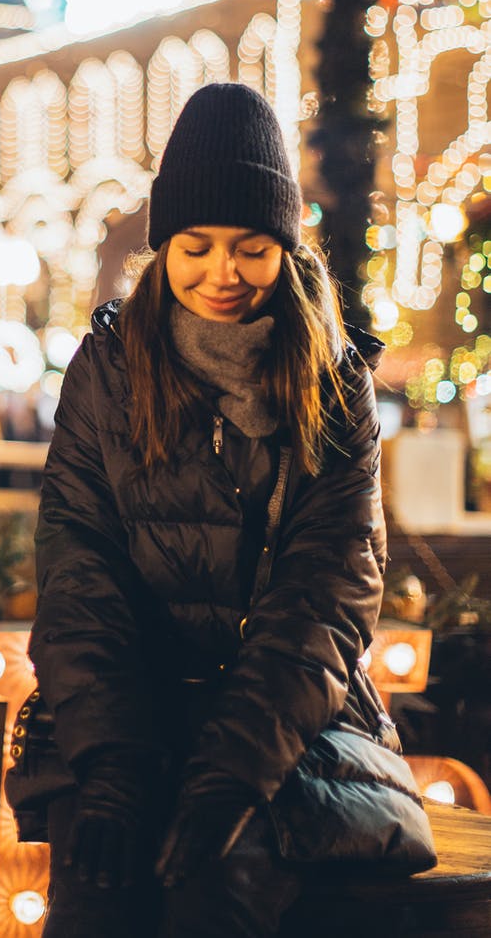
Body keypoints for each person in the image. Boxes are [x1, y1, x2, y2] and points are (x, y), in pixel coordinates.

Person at [24, 82, 425, 938]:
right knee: (96, 896)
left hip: (283, 731)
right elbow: (77, 568)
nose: (222, 274)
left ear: (284, 250)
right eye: (196, 246)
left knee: (216, 887)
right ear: (161, 247)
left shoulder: (333, 384)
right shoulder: (106, 369)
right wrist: (112, 761)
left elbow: (327, 595)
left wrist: (230, 775)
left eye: (250, 247)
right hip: (124, 713)